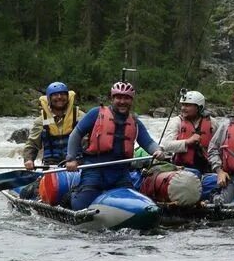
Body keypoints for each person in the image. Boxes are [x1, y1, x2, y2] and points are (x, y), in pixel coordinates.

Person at [65, 81, 164, 210]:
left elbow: (148, 142)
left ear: (131, 100)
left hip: (120, 172)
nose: (122, 101)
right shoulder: (96, 114)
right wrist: (71, 158)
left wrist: (157, 150)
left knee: (131, 205)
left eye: (126, 98)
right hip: (95, 169)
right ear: (112, 99)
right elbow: (76, 134)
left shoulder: (134, 121)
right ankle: (72, 194)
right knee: (81, 206)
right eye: (119, 97)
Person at [19, 81, 85, 199]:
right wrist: (29, 159)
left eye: (62, 94)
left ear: (68, 97)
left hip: (77, 166)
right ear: (49, 99)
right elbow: (32, 144)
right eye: (55, 95)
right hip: (51, 167)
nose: (59, 97)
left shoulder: (80, 116)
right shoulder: (41, 121)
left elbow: (90, 142)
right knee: (26, 193)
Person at [159, 90, 217, 174]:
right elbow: (166, 145)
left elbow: (219, 146)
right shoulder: (177, 121)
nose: (183, 108)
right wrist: (187, 142)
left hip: (207, 168)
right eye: (182, 105)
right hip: (182, 169)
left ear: (199, 107)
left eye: (188, 105)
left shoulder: (212, 122)